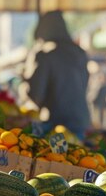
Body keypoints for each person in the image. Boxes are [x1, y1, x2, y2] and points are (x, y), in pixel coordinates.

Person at [23, 11, 90, 139]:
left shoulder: (46, 56)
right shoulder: (80, 53)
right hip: (81, 121)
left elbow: (36, 96)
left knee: (56, 158)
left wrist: (25, 82)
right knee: (77, 157)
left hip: (57, 124)